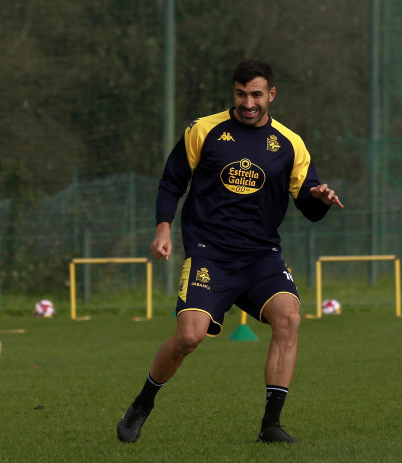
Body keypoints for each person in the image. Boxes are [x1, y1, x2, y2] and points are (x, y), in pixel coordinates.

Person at [117, 58, 343, 445]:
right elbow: (172, 181)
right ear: (233, 92)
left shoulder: (290, 144)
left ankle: (270, 426)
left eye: (256, 94)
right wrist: (163, 228)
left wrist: (320, 198)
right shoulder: (203, 130)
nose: (248, 103)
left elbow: (308, 205)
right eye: (241, 94)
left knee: (289, 318)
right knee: (189, 337)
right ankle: (142, 403)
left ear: (271, 94)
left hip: (261, 256)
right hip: (210, 254)